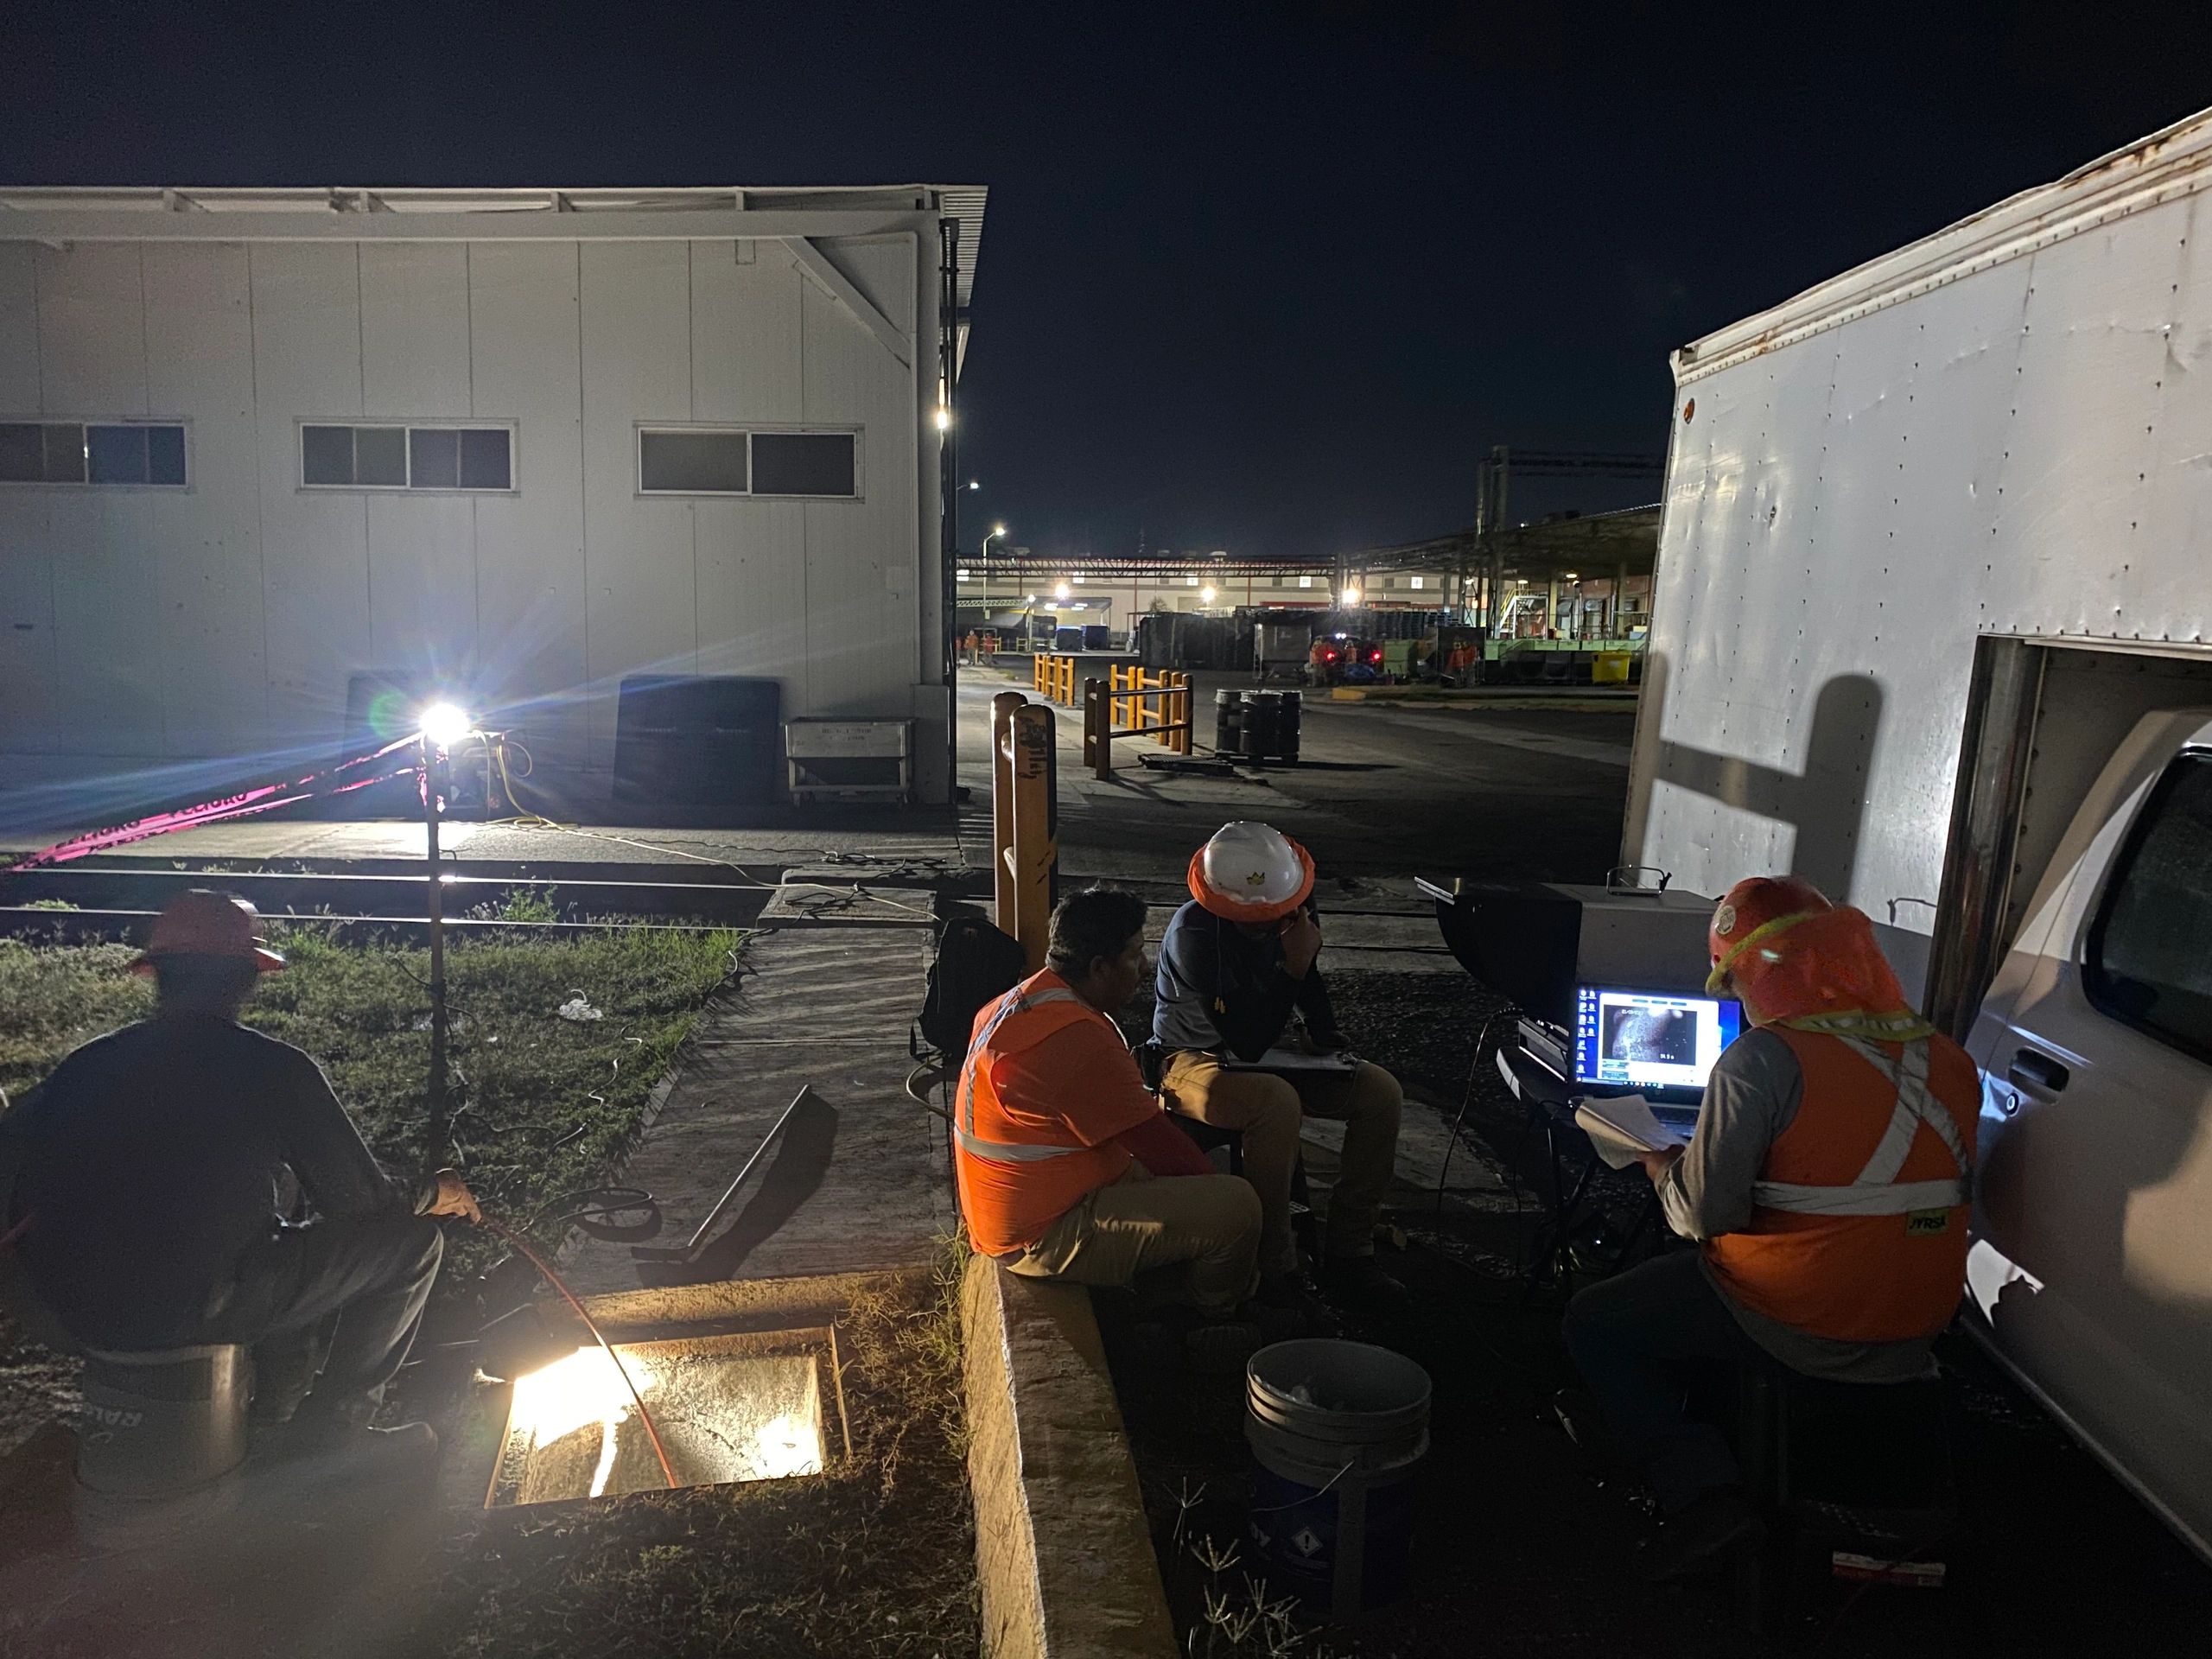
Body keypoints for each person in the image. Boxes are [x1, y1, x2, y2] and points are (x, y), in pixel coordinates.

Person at [1561, 875, 1979, 1580]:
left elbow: (1700, 1216)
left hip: (1797, 1316)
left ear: (1765, 972)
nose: (1737, 997)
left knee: (1595, 1322)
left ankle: (1703, 1495)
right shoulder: (1948, 1056)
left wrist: (1662, 1167)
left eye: (1738, 978)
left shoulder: (1762, 1060)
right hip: (1918, 1326)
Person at [1, 891, 480, 1459]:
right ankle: (332, 1437)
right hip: (194, 1308)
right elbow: (361, 1202)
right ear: (247, 979)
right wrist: (432, 1192)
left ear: (156, 975)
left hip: (67, 1309)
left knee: (287, 1200)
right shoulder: (272, 1068)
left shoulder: (88, 1065)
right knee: (414, 1243)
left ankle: (271, 1403)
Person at [953, 887, 1264, 1360]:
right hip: (1042, 1236)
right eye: (1135, 954)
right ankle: (1206, 1321)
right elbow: (1165, 1151)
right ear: (1099, 968)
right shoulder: (1076, 1042)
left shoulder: (1017, 1002)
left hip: (1025, 1209)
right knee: (1237, 1206)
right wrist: (1231, 1227)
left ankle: (1177, 1285)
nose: (1145, 967)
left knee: (1207, 1194)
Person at [1153, 822, 1408, 1312]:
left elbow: (1306, 982)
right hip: (1191, 1060)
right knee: (1275, 1103)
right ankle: (1277, 1265)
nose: (1269, 924)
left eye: (1277, 913)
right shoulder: (1196, 934)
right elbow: (1245, 1041)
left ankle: (1351, 1249)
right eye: (1254, 919)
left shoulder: (1293, 906)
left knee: (1379, 1092)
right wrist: (1292, 965)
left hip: (1272, 1049)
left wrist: (1326, 1034)